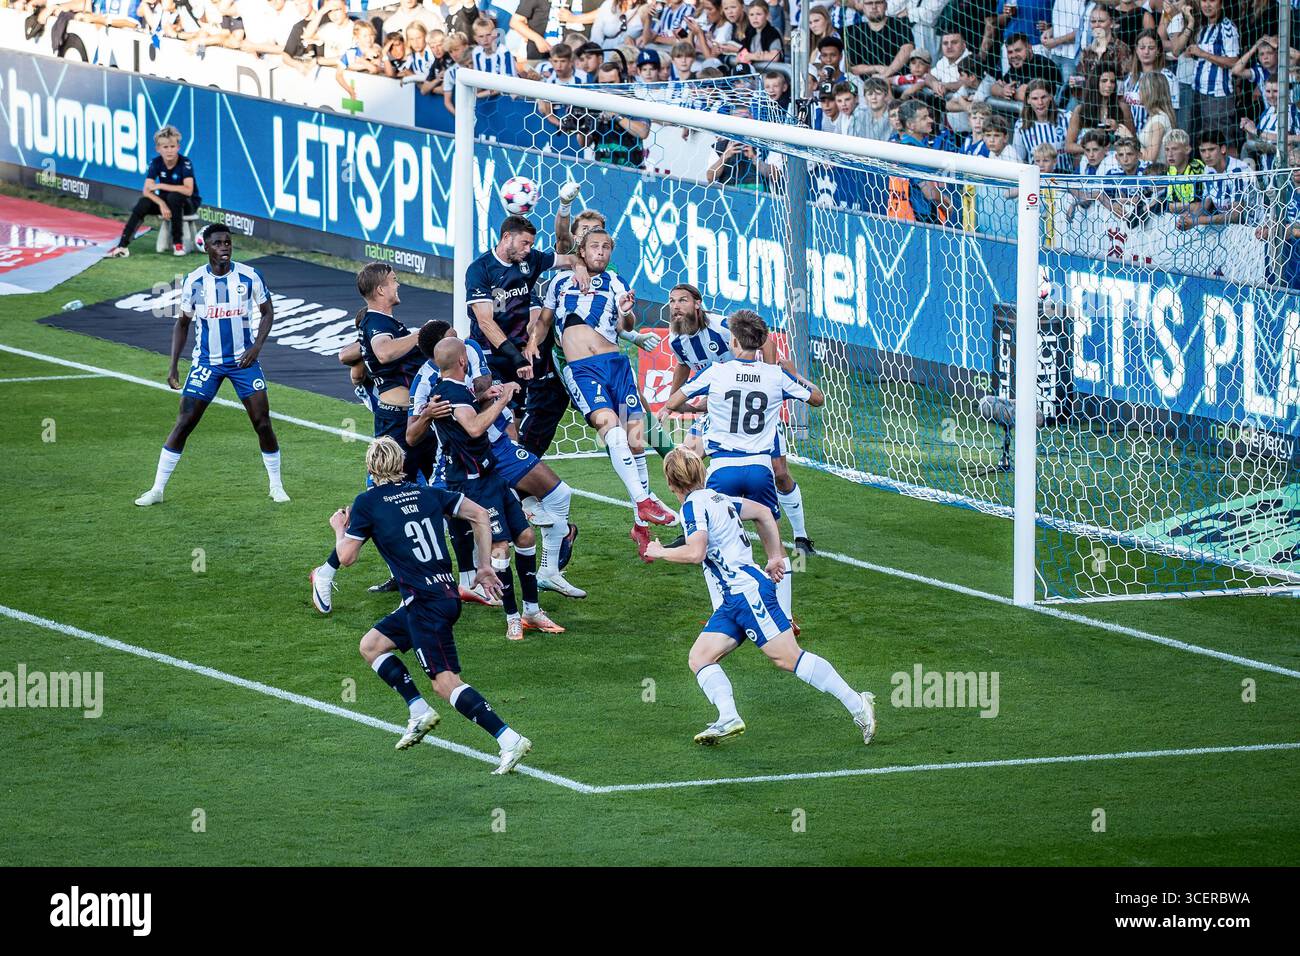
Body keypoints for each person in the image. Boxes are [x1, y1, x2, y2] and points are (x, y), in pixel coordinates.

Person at [311, 437, 534, 776]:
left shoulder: (368, 502)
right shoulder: (428, 493)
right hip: (440, 594)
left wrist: (339, 529)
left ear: (371, 469)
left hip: (425, 605)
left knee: (445, 683)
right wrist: (485, 565)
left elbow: (347, 558)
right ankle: (418, 711)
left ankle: (508, 738)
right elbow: (478, 514)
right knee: (372, 645)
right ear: (402, 464)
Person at [644, 447, 876, 747]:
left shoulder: (693, 506)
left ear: (671, 483)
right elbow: (763, 512)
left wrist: (660, 551)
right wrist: (775, 556)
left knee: (788, 658)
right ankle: (728, 717)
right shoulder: (720, 498)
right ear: (701, 473)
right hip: (734, 597)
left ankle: (859, 705)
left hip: (747, 593)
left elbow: (695, 552)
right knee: (700, 657)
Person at [526, 228, 676, 561]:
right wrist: (532, 341)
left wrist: (626, 310)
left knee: (636, 437)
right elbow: (545, 321)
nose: (601, 251)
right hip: (582, 369)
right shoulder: (559, 283)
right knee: (610, 427)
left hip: (616, 364)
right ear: (582, 249)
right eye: (595, 246)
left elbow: (625, 325)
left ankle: (641, 524)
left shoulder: (616, 281)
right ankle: (643, 501)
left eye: (607, 247)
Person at [411, 322, 584, 600]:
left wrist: (486, 394)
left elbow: (476, 393)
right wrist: (427, 414)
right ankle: (460, 586)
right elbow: (413, 434)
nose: (462, 341)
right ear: (443, 352)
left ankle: (548, 570)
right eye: (452, 338)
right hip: (460, 459)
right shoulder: (425, 382)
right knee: (452, 523)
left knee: (558, 494)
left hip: (498, 447)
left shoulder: (472, 350)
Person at [134, 223, 287, 506]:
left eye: (228, 242)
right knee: (184, 422)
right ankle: (157, 489)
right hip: (207, 362)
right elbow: (182, 324)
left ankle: (276, 486)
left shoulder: (250, 276)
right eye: (217, 243)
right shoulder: (194, 282)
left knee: (262, 422)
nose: (225, 248)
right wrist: (173, 366)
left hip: (243, 361)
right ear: (206, 247)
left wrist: (256, 347)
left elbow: (267, 313)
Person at [430, 338, 565, 641]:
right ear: (463, 361)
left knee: (527, 536)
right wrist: (502, 400)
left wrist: (485, 395)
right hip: (473, 484)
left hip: (490, 476)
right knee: (500, 549)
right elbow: (474, 428)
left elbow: (465, 411)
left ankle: (531, 611)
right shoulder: (452, 393)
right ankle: (512, 617)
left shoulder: (453, 390)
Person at [665, 287, 816, 556]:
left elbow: (766, 343)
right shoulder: (677, 338)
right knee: (689, 460)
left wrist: (770, 378)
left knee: (780, 472)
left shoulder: (724, 326)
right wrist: (674, 403)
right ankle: (695, 528)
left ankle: (802, 537)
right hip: (719, 409)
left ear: (698, 305)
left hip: (751, 401)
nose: (676, 307)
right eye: (672, 301)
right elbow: (682, 366)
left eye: (682, 301)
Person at [464, 216, 588, 460]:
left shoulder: (530, 260)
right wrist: (515, 356)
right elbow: (485, 322)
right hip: (488, 356)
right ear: (506, 237)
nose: (528, 249)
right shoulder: (481, 270)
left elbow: (571, 258)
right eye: (524, 243)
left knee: (517, 415)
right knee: (499, 420)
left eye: (531, 244)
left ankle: (510, 481)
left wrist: (580, 268)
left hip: (519, 355)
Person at [108, 125, 199, 258]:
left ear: (178, 147)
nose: (169, 151)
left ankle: (178, 244)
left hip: (188, 204)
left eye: (172, 147)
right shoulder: (156, 163)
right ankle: (122, 246)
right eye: (165, 147)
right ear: (158, 149)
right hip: (166, 202)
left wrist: (161, 185)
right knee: (143, 202)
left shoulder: (185, 163)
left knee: (174, 197)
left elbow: (188, 190)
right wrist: (162, 204)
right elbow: (147, 190)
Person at [1185, 0, 1240, 148]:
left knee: (1222, 143)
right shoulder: (1203, 27)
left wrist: (1202, 53)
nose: (1207, 5)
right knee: (1202, 143)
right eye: (1204, 0)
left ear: (1222, 3)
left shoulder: (1228, 27)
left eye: (1212, 0)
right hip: (1198, 93)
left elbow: (1234, 62)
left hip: (1218, 97)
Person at [1182, 127, 1254, 230]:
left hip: (1252, 228)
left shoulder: (1238, 171)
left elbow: (1235, 216)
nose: (1207, 155)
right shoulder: (1208, 169)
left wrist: (1197, 221)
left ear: (1223, 149)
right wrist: (1189, 218)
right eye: (1203, 151)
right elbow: (1205, 203)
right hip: (1230, 230)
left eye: (1211, 149)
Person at [844, 0, 914, 79]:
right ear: (863, 7)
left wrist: (886, 74)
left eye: (878, 2)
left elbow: (907, 50)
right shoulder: (855, 32)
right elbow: (852, 68)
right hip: (868, 85)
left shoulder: (900, 24)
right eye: (869, 3)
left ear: (886, 6)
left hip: (900, 81)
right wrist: (876, 68)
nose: (874, 7)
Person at [1137, 70, 1177, 166]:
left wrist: (1128, 137)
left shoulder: (1158, 121)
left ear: (1149, 92)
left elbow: (1150, 159)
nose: (1138, 93)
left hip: (1156, 177)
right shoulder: (1155, 117)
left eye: (1141, 89)